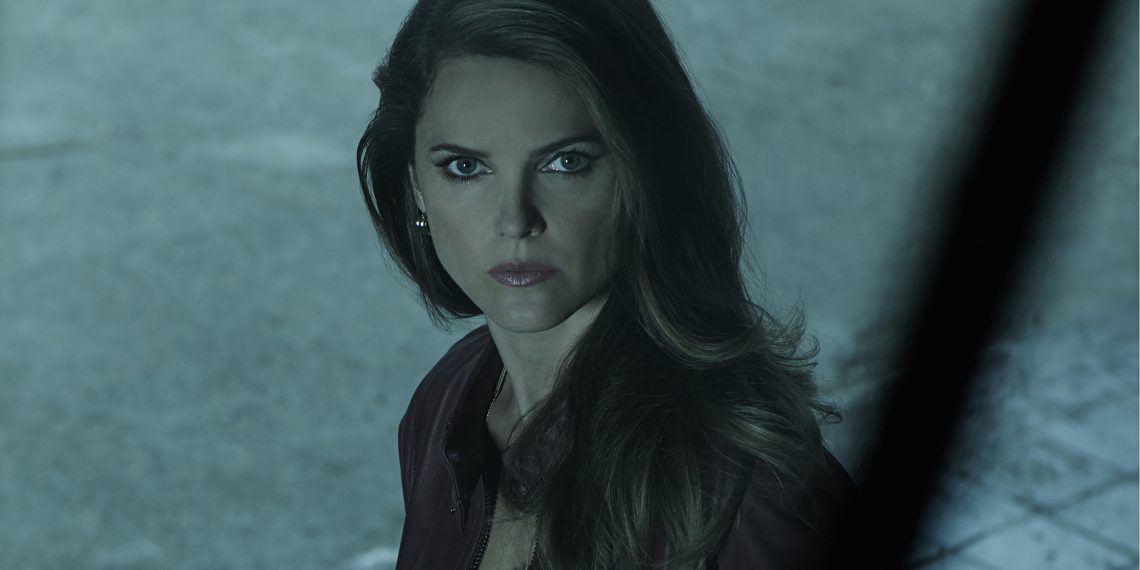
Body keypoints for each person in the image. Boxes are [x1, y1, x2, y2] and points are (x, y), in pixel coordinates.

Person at [356, 0, 855, 567]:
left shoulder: (745, 494)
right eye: (465, 167)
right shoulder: (448, 401)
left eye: (565, 163)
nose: (515, 221)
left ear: (644, 170)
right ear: (415, 188)